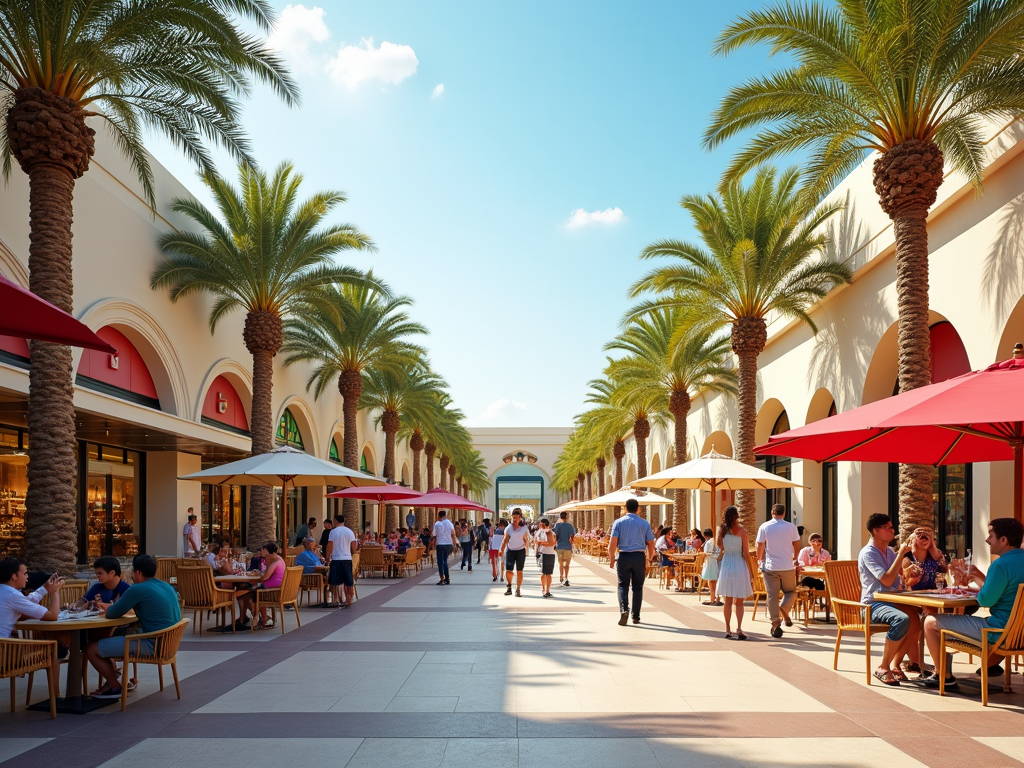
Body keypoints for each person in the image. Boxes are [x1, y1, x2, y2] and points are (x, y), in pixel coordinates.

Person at [922, 518, 1024, 690]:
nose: (987, 540)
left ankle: (943, 676)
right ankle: (989, 666)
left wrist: (976, 578)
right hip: (1019, 634)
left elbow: (985, 600)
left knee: (930, 621)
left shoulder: (1000, 565)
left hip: (999, 631)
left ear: (1004, 540)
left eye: (991, 536)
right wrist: (980, 578)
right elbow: (1007, 593)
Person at [84, 554, 181, 698]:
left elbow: (112, 613)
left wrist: (106, 607)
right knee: (108, 640)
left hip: (152, 644)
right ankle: (112, 681)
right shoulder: (166, 586)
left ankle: (114, 686)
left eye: (133, 571)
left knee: (90, 649)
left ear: (138, 573)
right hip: (169, 644)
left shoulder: (137, 589)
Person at [857, 513, 919, 686]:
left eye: (892, 527)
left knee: (915, 620)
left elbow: (899, 577)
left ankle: (896, 665)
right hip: (872, 604)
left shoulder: (889, 552)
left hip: (891, 600)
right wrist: (900, 555)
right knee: (901, 619)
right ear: (876, 531)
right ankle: (883, 667)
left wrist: (910, 573)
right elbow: (886, 580)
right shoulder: (869, 553)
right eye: (889, 528)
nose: (893, 531)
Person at [607, 498, 657, 625]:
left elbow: (612, 543)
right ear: (638, 509)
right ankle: (636, 615)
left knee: (622, 585)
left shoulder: (618, 522)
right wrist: (650, 557)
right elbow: (651, 543)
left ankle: (624, 609)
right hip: (639, 557)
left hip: (624, 556)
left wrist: (612, 558)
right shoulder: (644, 523)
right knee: (638, 587)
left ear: (624, 508)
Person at [756, 503, 802, 638]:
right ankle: (784, 608)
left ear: (772, 512)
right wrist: (795, 558)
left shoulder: (765, 526)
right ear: (784, 513)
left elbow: (760, 544)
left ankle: (775, 623)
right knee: (790, 591)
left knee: (772, 596)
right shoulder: (791, 527)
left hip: (770, 567)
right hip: (787, 566)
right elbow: (797, 544)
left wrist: (759, 559)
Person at [0, 558, 62, 640]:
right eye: (25, 573)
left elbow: (26, 600)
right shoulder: (13, 595)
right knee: (57, 641)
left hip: (5, 643)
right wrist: (55, 591)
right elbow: (53, 616)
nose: (27, 576)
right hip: (4, 648)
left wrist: (45, 588)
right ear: (14, 576)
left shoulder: (6, 591)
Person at [716, 505, 753, 640]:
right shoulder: (743, 531)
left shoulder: (722, 531)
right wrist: (752, 572)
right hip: (739, 564)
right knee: (739, 601)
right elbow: (746, 554)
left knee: (728, 600)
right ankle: (739, 628)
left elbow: (720, 546)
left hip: (727, 564)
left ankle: (727, 629)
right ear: (737, 516)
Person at [237, 542, 285, 629]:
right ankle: (261, 617)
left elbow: (264, 578)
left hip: (271, 590)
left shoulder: (275, 562)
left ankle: (257, 618)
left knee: (245, 595)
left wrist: (259, 575)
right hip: (275, 589)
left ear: (266, 551)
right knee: (246, 592)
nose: (261, 552)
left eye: (263, 550)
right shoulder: (279, 559)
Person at [326, 515, 358, 607]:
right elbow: (354, 547)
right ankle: (349, 599)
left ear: (336, 521)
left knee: (334, 580)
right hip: (347, 559)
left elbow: (330, 545)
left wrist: (328, 557)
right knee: (348, 580)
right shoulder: (350, 532)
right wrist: (351, 552)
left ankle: (335, 599)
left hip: (336, 558)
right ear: (344, 521)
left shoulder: (333, 532)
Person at [500, 509, 531, 597]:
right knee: (509, 570)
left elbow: (526, 540)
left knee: (519, 571)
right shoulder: (508, 528)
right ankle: (509, 586)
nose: (515, 519)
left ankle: (518, 589)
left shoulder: (524, 528)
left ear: (520, 518)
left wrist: (527, 548)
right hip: (510, 551)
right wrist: (501, 550)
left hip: (520, 551)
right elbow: (505, 540)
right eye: (513, 517)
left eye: (517, 517)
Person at [431, 510, 456, 585]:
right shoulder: (449, 523)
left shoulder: (437, 524)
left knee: (440, 562)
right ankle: (447, 578)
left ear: (438, 516)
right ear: (445, 515)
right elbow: (453, 534)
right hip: (448, 544)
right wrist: (454, 544)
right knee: (445, 561)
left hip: (440, 544)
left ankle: (442, 578)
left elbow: (433, 534)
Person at [553, 511, 576, 587]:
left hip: (560, 546)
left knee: (561, 564)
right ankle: (566, 577)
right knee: (567, 564)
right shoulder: (570, 526)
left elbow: (556, 535)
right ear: (567, 517)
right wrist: (571, 542)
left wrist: (555, 543)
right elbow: (572, 536)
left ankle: (561, 575)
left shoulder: (557, 525)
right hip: (568, 546)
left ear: (560, 517)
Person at [700, 528, 722, 606]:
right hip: (715, 562)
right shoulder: (715, 541)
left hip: (710, 562)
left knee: (711, 582)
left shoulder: (709, 542)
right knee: (714, 581)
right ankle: (715, 598)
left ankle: (712, 599)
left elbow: (707, 553)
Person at [536, 518, 556, 598]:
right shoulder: (540, 532)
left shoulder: (549, 532)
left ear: (544, 524)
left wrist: (541, 543)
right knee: (544, 573)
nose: (539, 525)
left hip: (549, 553)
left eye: (541, 524)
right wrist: (537, 550)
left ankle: (547, 590)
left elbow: (552, 543)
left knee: (548, 573)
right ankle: (545, 589)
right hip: (544, 553)